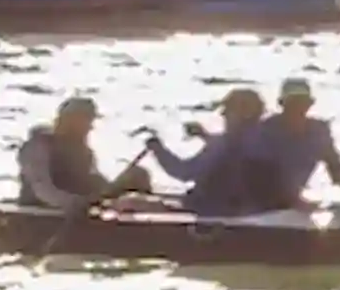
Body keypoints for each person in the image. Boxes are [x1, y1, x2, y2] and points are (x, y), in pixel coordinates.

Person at [243, 77, 340, 214]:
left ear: (309, 105)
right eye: (292, 103)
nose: (297, 108)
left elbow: (337, 170)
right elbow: (254, 176)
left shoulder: (318, 132)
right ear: (282, 104)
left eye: (302, 103)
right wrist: (291, 200)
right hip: (256, 204)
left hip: (291, 204)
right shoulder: (265, 132)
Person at [16, 96, 150, 210]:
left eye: (89, 121)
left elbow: (94, 181)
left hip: (77, 208)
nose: (89, 127)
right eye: (84, 121)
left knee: (137, 175)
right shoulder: (38, 148)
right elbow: (43, 190)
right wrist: (76, 203)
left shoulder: (83, 151)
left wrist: (114, 190)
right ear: (68, 121)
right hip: (42, 211)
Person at [148, 87, 266, 217]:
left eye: (229, 110)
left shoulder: (222, 144)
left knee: (130, 202)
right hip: (250, 210)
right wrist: (204, 135)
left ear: (246, 113)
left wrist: (157, 149)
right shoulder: (267, 140)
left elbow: (183, 172)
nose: (223, 114)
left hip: (212, 212)